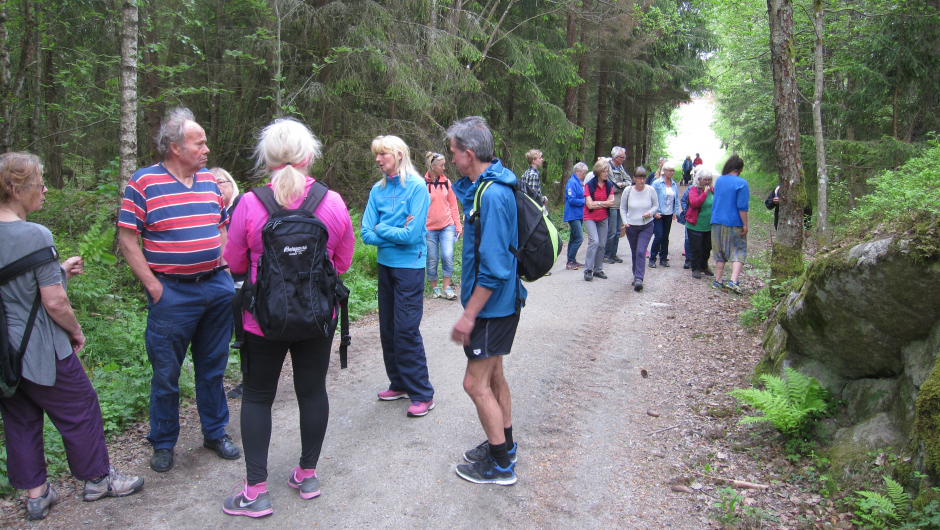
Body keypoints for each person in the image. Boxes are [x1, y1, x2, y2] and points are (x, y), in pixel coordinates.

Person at [221, 118, 354, 517]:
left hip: (263, 319)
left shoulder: (250, 203)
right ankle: (307, 475)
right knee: (312, 391)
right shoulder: (332, 203)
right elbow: (343, 263)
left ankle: (255, 491)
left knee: (259, 396)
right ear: (309, 155)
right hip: (317, 317)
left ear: (267, 160)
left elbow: (233, 263)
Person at [0, 152, 143, 521]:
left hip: (4, 353)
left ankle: (37, 494)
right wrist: (76, 332)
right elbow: (54, 302)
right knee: (81, 407)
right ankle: (98, 479)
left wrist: (58, 270)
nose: (45, 189)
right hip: (42, 348)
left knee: (21, 418)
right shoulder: (35, 235)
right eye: (39, 183)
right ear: (16, 190)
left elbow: (16, 290)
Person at [118, 107, 240, 473]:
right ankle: (164, 441)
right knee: (166, 373)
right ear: (174, 147)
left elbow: (222, 226)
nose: (206, 148)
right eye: (198, 142)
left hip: (215, 289)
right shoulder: (143, 183)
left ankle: (215, 432)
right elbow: (127, 239)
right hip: (172, 294)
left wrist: (222, 265)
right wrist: (155, 288)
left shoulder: (208, 182)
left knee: (213, 368)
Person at [448, 115, 525, 486]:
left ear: (468, 153)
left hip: (492, 308)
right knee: (493, 375)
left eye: (453, 153)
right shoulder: (485, 186)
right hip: (502, 306)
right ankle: (505, 446)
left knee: (474, 384)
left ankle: (500, 466)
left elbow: (493, 270)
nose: (450, 159)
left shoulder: (493, 195)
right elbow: (465, 194)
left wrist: (468, 316)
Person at [361, 135, 435, 417]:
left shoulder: (417, 187)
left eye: (384, 155)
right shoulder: (376, 191)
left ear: (399, 156)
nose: (378, 159)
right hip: (386, 265)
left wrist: (383, 229)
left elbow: (413, 235)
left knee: (405, 329)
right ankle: (399, 383)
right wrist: (392, 233)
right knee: (388, 329)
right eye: (376, 155)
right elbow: (366, 233)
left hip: (410, 268)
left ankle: (423, 393)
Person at [210, 167, 246, 400]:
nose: (217, 187)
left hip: (242, 281)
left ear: (231, 183)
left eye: (221, 182)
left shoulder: (241, 205)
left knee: (246, 334)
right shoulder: (208, 213)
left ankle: (249, 378)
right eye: (211, 183)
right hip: (219, 282)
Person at [424, 151, 463, 300]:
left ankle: (447, 288)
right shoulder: (422, 184)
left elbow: (453, 206)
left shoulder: (447, 182)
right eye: (441, 165)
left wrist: (458, 226)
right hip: (429, 228)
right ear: (432, 166)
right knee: (432, 258)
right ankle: (435, 288)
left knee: (447, 255)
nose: (444, 168)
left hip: (447, 225)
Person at [710, 154, 749, 294]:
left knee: (719, 251)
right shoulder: (741, 183)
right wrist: (745, 224)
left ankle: (718, 280)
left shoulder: (719, 181)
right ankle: (733, 280)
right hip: (734, 222)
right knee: (738, 250)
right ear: (740, 169)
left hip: (716, 221)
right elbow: (742, 206)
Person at [619, 167, 658, 291]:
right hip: (632, 226)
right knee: (635, 251)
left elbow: (656, 205)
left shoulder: (650, 190)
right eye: (639, 178)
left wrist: (650, 212)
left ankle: (639, 278)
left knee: (641, 251)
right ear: (634, 178)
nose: (642, 181)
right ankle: (636, 275)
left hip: (646, 225)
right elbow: (622, 208)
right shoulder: (628, 190)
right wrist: (626, 222)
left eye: (644, 178)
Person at [582, 158, 615, 281]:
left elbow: (612, 202)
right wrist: (604, 203)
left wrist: (599, 203)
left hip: (603, 217)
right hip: (590, 216)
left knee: (602, 243)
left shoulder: (609, 185)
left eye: (607, 171)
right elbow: (589, 205)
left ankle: (598, 269)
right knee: (594, 241)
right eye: (604, 171)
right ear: (598, 171)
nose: (606, 173)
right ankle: (588, 270)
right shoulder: (590, 185)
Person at [685, 168, 716, 279]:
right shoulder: (694, 190)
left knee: (707, 247)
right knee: (696, 248)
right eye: (705, 180)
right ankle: (695, 268)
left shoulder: (712, 190)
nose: (707, 182)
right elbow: (694, 204)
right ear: (699, 179)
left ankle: (704, 265)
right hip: (695, 225)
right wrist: (705, 194)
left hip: (708, 225)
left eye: (709, 179)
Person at [650, 161, 680, 268]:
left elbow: (676, 198)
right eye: (670, 171)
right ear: (665, 171)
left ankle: (663, 258)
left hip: (668, 213)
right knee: (659, 236)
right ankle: (652, 258)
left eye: (673, 171)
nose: (672, 173)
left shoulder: (673, 184)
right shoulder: (657, 183)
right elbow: (651, 199)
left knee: (666, 237)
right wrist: (654, 212)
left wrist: (676, 212)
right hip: (659, 214)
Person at [604, 147, 630, 264]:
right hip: (612, 204)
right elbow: (612, 186)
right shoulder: (607, 167)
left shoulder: (620, 167)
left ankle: (614, 254)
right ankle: (606, 255)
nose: (624, 159)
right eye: (623, 157)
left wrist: (622, 184)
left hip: (620, 203)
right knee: (612, 231)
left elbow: (629, 181)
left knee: (618, 231)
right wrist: (620, 186)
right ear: (616, 157)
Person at [563, 162, 588, 270]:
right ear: (577, 171)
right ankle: (570, 261)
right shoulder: (572, 182)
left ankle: (571, 260)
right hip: (572, 214)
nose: (584, 175)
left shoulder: (579, 182)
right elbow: (572, 199)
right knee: (579, 238)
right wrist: (585, 201)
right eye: (583, 173)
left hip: (578, 214)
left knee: (573, 238)